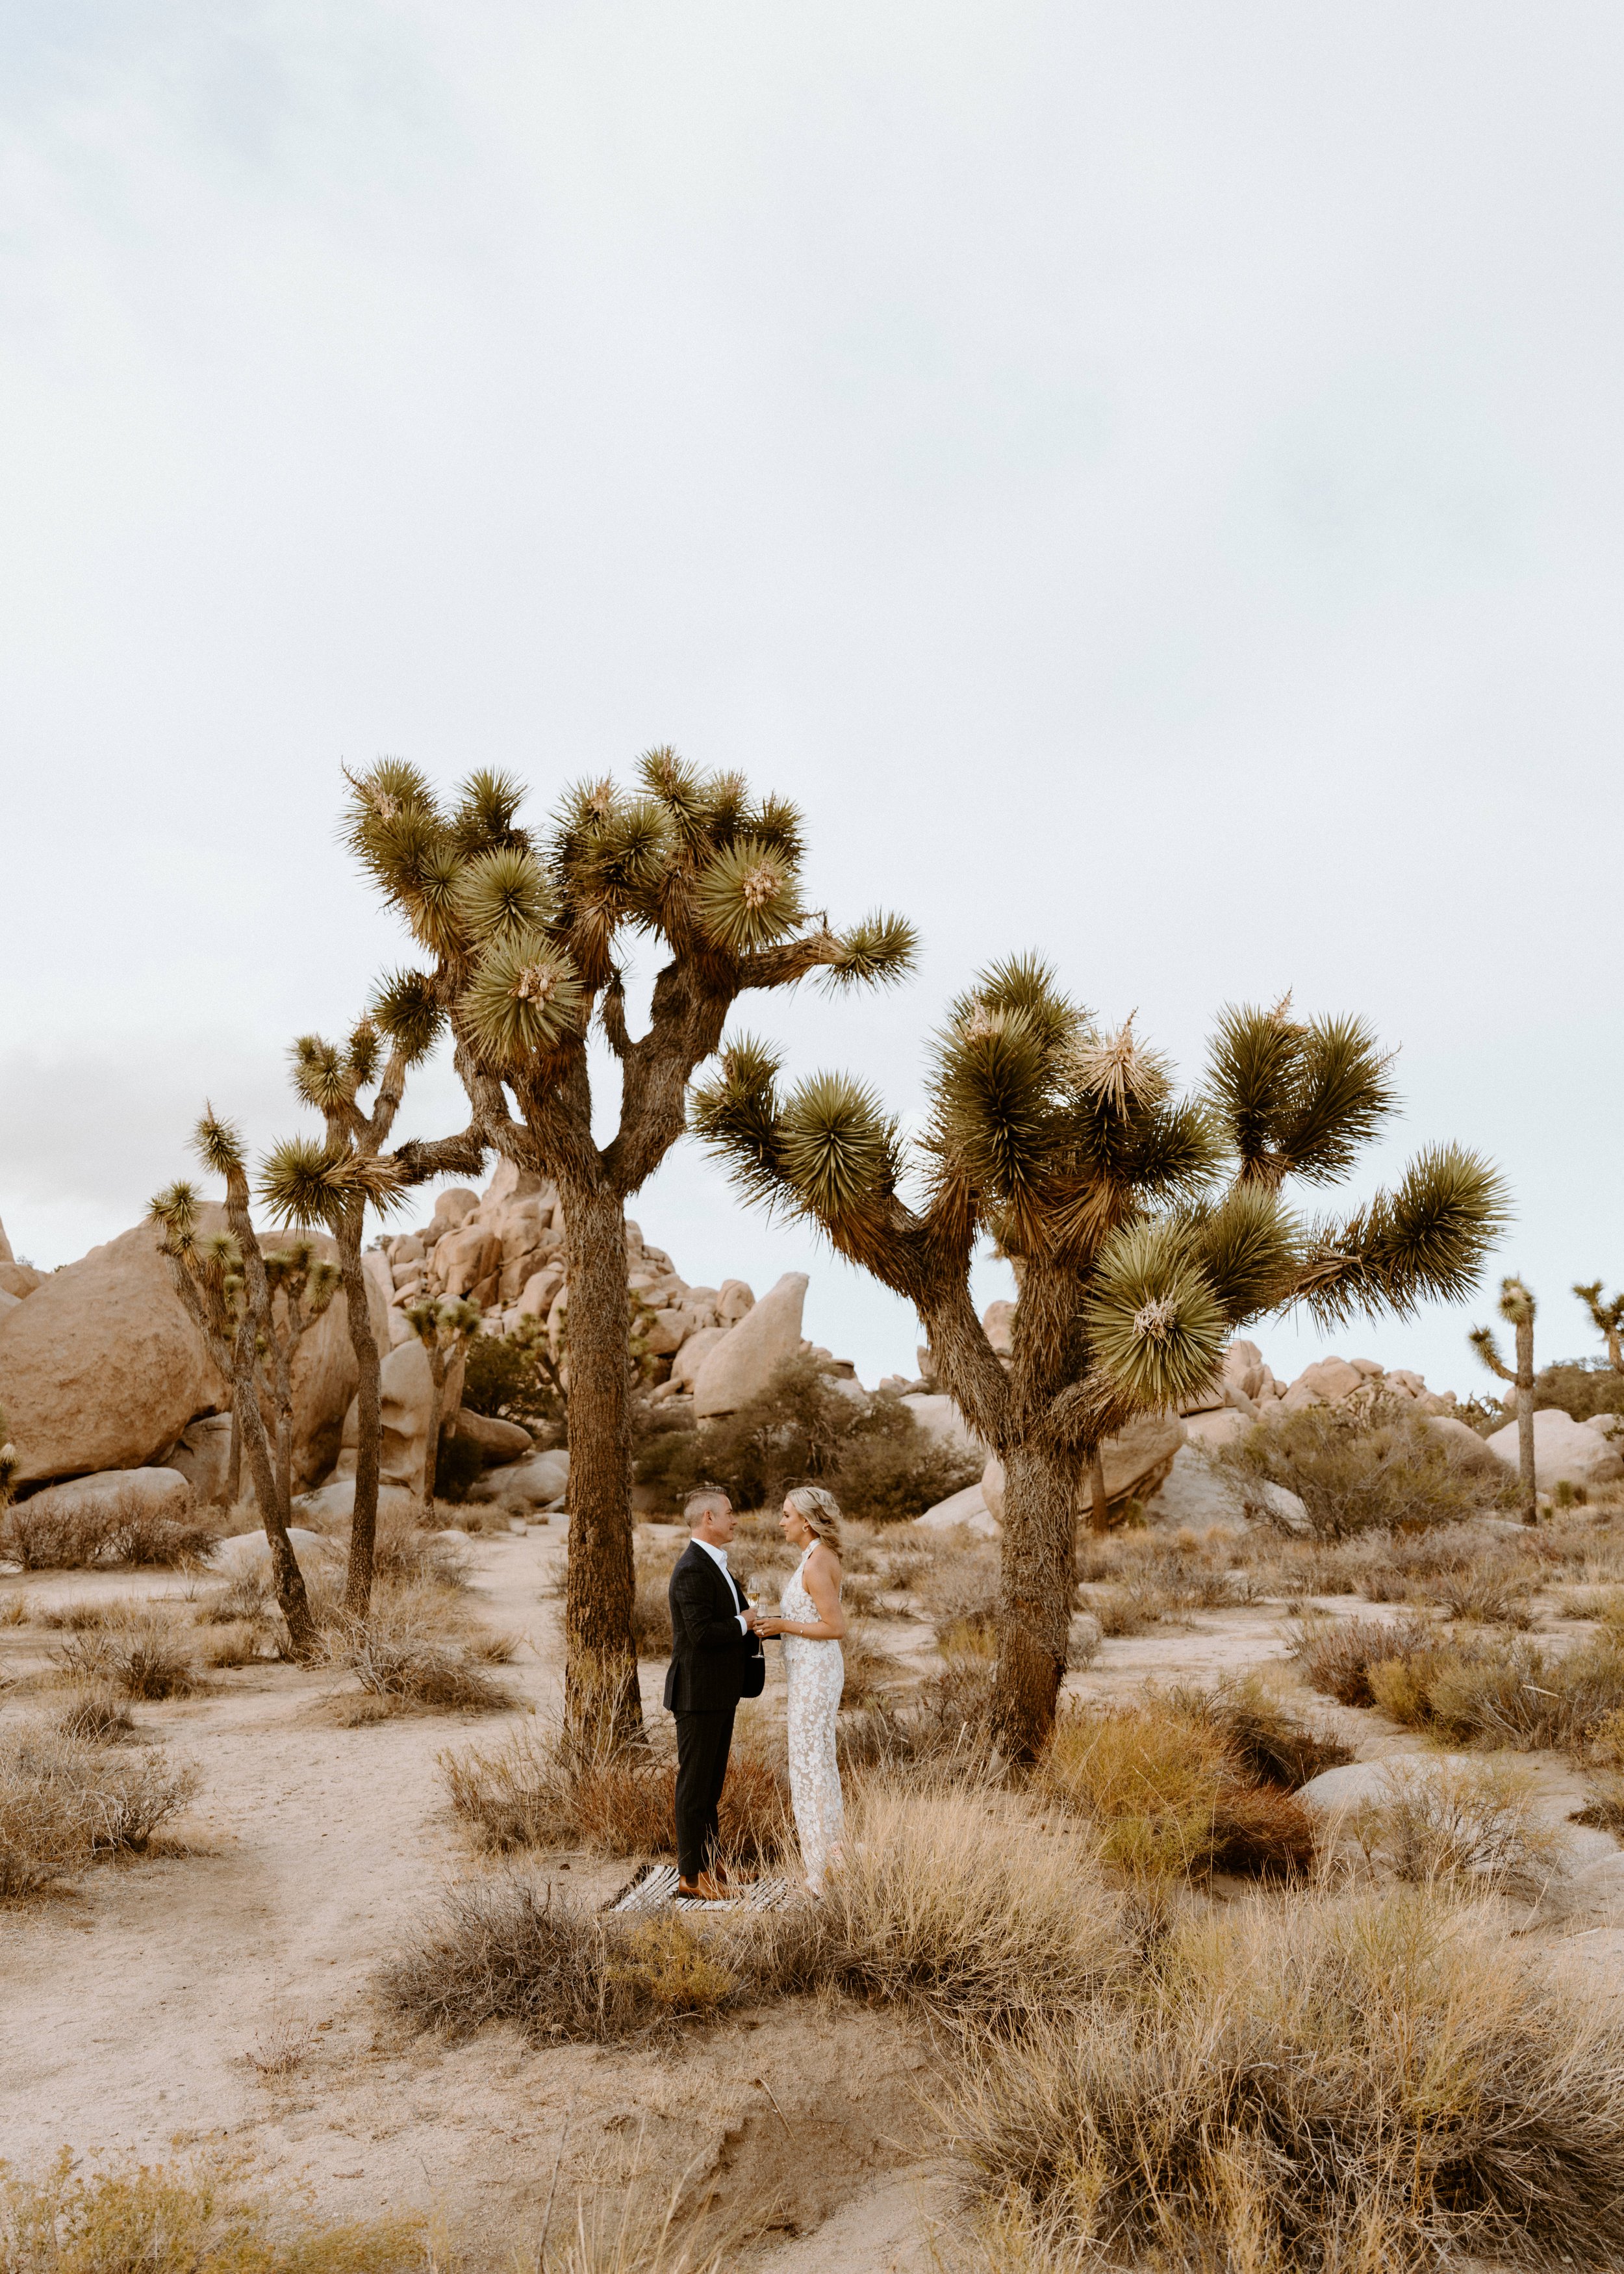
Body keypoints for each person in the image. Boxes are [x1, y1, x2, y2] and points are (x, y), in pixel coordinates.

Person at [663, 1487, 765, 1901]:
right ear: (708, 1518)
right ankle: (690, 1877)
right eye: (729, 1512)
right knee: (695, 1787)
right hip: (697, 1694)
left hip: (719, 1693)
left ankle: (711, 1864)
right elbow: (701, 1634)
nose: (734, 1519)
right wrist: (744, 1622)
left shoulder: (716, 1564)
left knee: (711, 1786)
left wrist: (752, 1623)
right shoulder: (691, 1569)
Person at [755, 1485, 847, 1897]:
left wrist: (783, 1626)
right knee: (815, 1765)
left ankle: (820, 1874)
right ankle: (831, 1862)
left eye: (787, 1514)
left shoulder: (815, 1564)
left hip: (816, 1676)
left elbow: (835, 1628)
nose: (781, 1521)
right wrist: (772, 1627)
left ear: (807, 1521)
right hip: (807, 1672)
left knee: (810, 1768)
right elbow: (806, 1619)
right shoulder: (813, 1557)